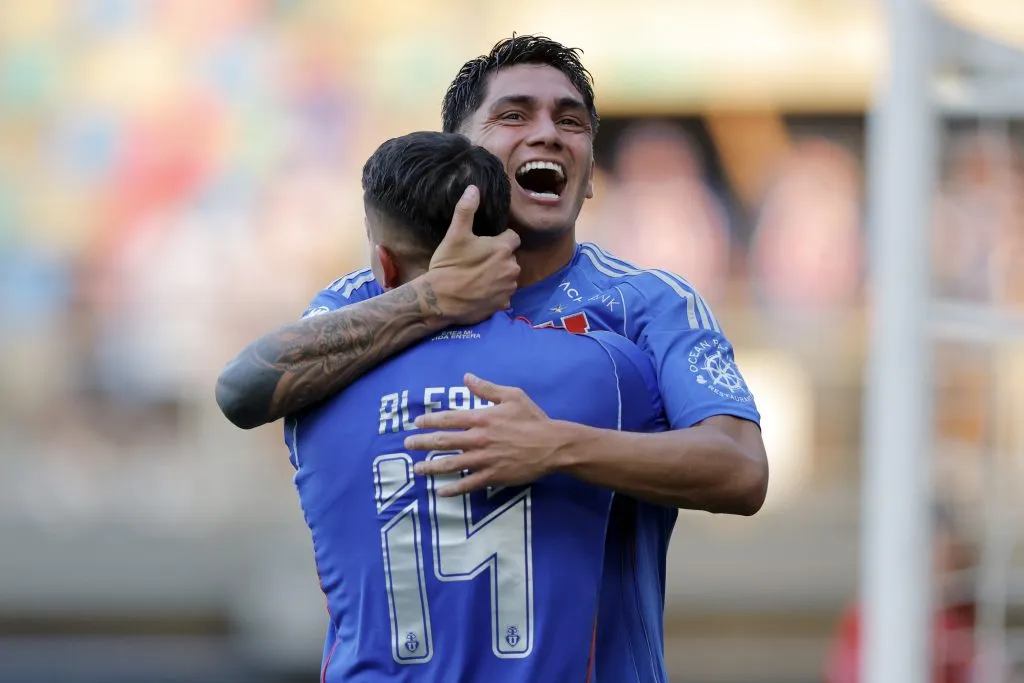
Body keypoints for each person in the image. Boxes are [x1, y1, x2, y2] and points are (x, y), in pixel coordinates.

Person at [217, 35, 769, 681]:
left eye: (572, 121)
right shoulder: (367, 300)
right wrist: (431, 300)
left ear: (591, 173)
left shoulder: (646, 303)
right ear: (462, 154)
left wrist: (557, 446)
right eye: (514, 115)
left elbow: (740, 468)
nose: (549, 134)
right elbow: (245, 388)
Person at [290, 130, 665, 682]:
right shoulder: (605, 374)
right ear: (503, 247)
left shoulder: (313, 391)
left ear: (384, 266)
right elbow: (720, 466)